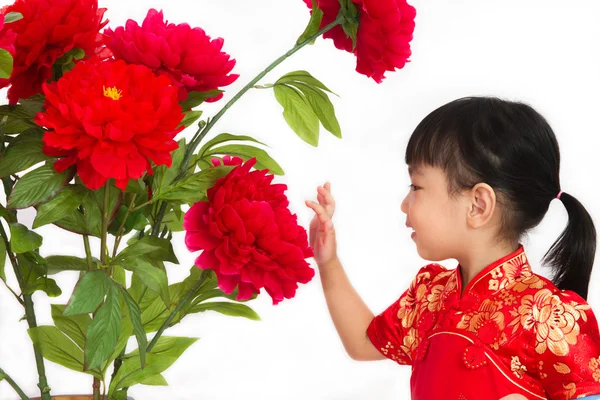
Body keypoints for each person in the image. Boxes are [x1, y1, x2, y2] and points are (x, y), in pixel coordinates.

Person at [305, 97, 600, 400]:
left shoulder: (548, 314)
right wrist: (328, 263)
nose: (405, 204)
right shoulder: (430, 296)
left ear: (478, 204)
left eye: (416, 187)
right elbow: (363, 343)